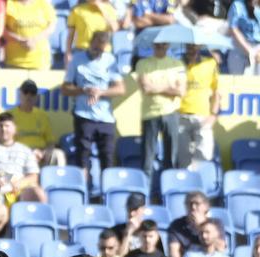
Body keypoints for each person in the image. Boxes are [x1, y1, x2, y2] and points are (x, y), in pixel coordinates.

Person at [62, 30, 124, 192]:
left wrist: (100, 92)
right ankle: (83, 193)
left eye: (101, 50)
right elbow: (66, 88)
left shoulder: (110, 60)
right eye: (96, 49)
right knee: (82, 159)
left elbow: (120, 89)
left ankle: (107, 195)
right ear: (91, 43)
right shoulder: (77, 59)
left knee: (108, 160)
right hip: (84, 116)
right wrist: (84, 90)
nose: (98, 53)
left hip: (106, 118)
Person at [135, 41, 185, 193]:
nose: (160, 47)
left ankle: (169, 193)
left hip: (171, 113)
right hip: (150, 115)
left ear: (168, 46)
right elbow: (146, 88)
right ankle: (146, 194)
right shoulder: (142, 63)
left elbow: (181, 91)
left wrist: (157, 87)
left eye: (164, 45)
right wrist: (169, 88)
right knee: (147, 159)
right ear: (152, 46)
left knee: (172, 157)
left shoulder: (177, 64)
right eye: (157, 45)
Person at [0, 112, 48, 203]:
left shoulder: (25, 150)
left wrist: (18, 184)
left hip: (19, 188)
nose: (3, 129)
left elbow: (33, 176)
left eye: (7, 126)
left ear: (15, 129)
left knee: (39, 193)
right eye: (0, 126)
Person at [177, 44, 220, 168]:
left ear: (199, 47)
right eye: (189, 47)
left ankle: (199, 184)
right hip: (181, 116)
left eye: (194, 47)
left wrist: (213, 114)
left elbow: (217, 92)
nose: (191, 49)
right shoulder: (176, 65)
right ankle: (187, 185)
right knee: (183, 159)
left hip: (203, 116)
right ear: (185, 47)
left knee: (205, 156)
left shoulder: (210, 63)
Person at [10, 80, 65, 168]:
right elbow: (7, 142)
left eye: (32, 93)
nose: (29, 96)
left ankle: (58, 180)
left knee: (58, 155)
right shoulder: (10, 115)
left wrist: (45, 152)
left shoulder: (42, 115)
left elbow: (50, 141)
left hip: (41, 153)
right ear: (20, 94)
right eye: (25, 92)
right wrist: (29, 152)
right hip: (19, 153)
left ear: (36, 97)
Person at [3, 0, 55, 71]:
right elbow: (2, 30)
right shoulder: (9, 4)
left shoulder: (43, 4)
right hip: (15, 61)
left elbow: (51, 27)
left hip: (40, 61)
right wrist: (19, 39)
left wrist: (34, 40)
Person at [65, 0, 120, 66]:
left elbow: (114, 28)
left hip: (103, 51)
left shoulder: (109, 9)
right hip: (82, 50)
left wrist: (102, 9)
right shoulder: (77, 10)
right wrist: (68, 52)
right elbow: (71, 35)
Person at [167, 190, 210, 257]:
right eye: (190, 204)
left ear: (206, 206)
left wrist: (200, 226)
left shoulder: (215, 224)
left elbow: (220, 248)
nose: (193, 207)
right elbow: (174, 252)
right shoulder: (176, 225)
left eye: (197, 203)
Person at [228, 0, 260, 75]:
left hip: (258, 49)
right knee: (238, 83)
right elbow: (233, 28)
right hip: (239, 50)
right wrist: (250, 51)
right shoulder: (237, 5)